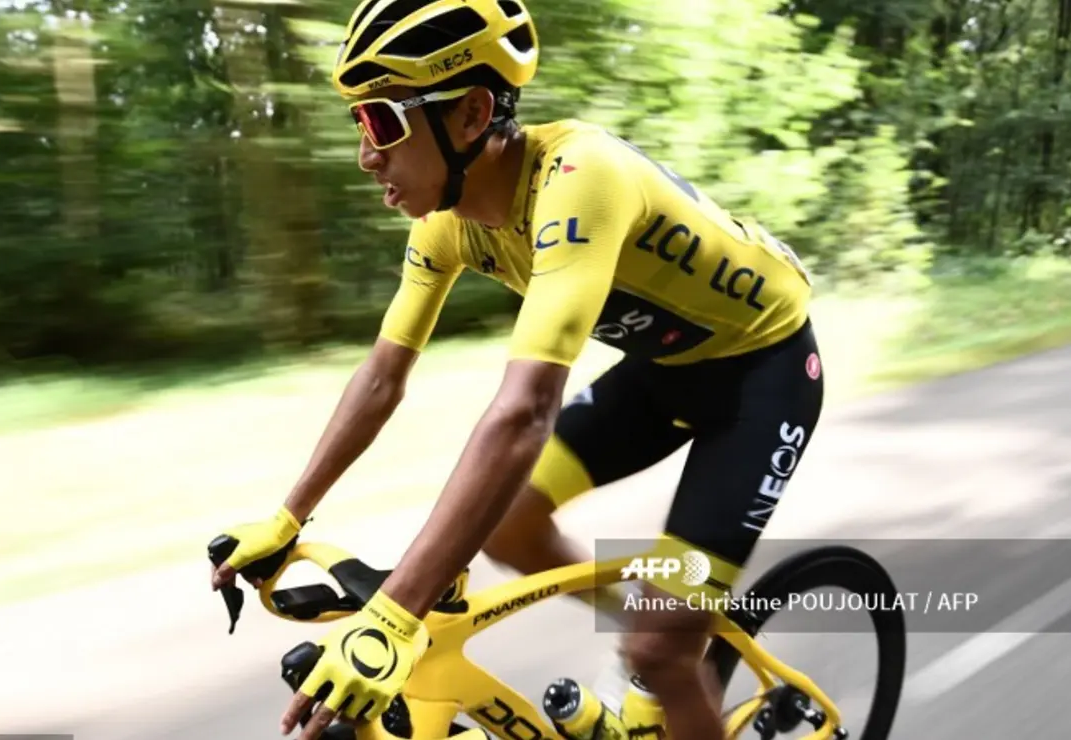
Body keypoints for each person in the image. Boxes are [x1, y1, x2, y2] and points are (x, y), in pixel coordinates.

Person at [208, 0, 824, 738]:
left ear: (471, 114)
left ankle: (663, 650)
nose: (366, 155)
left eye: (382, 123)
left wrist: (395, 620)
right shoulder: (447, 225)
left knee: (660, 650)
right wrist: (287, 516)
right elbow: (381, 377)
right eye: (359, 124)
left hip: (763, 377)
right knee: (509, 529)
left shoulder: (580, 175)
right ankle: (662, 633)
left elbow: (524, 411)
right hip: (663, 372)